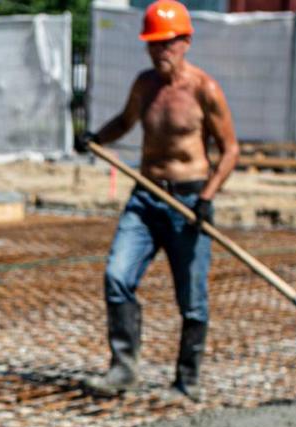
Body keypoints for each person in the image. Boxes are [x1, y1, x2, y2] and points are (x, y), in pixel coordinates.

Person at [76, 0, 239, 401]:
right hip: (145, 199)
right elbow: (125, 122)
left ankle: (188, 381)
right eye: (153, 44)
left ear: (185, 41)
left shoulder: (205, 89)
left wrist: (206, 197)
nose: (159, 52)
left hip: (188, 203)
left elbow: (231, 149)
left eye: (166, 44)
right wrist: (96, 137)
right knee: (117, 276)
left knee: (192, 298)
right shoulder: (144, 85)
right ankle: (123, 368)